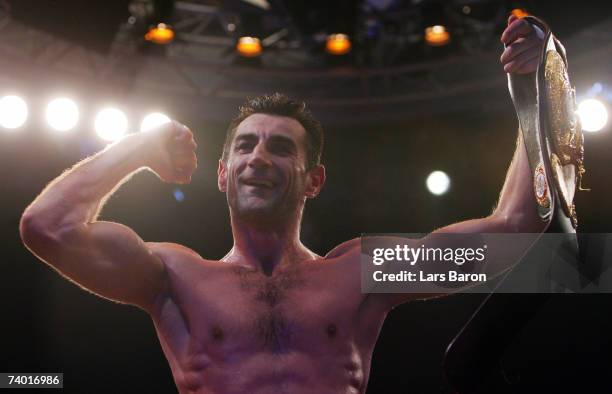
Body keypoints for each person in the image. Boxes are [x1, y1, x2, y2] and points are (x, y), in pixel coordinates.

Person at [20, 14, 548, 394]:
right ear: (223, 175)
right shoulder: (173, 279)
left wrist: (533, 87)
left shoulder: (359, 272)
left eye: (280, 147)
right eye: (245, 146)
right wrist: (140, 145)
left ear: (313, 180)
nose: (259, 158)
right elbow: (46, 227)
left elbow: (516, 226)